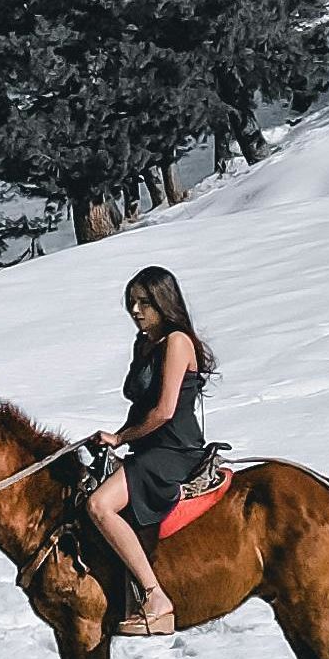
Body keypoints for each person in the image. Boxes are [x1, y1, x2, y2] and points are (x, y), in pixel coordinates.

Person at [87, 266, 216, 637]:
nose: (136, 310)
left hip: (173, 448)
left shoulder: (178, 341)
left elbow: (164, 411)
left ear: (164, 301)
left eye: (144, 302)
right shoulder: (143, 344)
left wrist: (121, 437)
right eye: (131, 303)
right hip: (146, 446)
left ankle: (155, 597)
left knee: (99, 505)